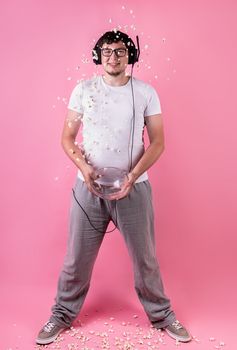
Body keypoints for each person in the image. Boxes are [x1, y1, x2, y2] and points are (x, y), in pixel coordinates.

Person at [36, 30, 192, 345]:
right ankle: (61, 315)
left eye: (120, 51)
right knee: (75, 259)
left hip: (134, 190)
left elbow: (158, 142)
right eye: (106, 51)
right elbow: (67, 138)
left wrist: (132, 177)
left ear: (130, 56)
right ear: (98, 56)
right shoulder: (83, 90)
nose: (113, 57)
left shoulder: (146, 92)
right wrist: (84, 169)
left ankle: (163, 316)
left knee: (145, 259)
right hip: (88, 191)